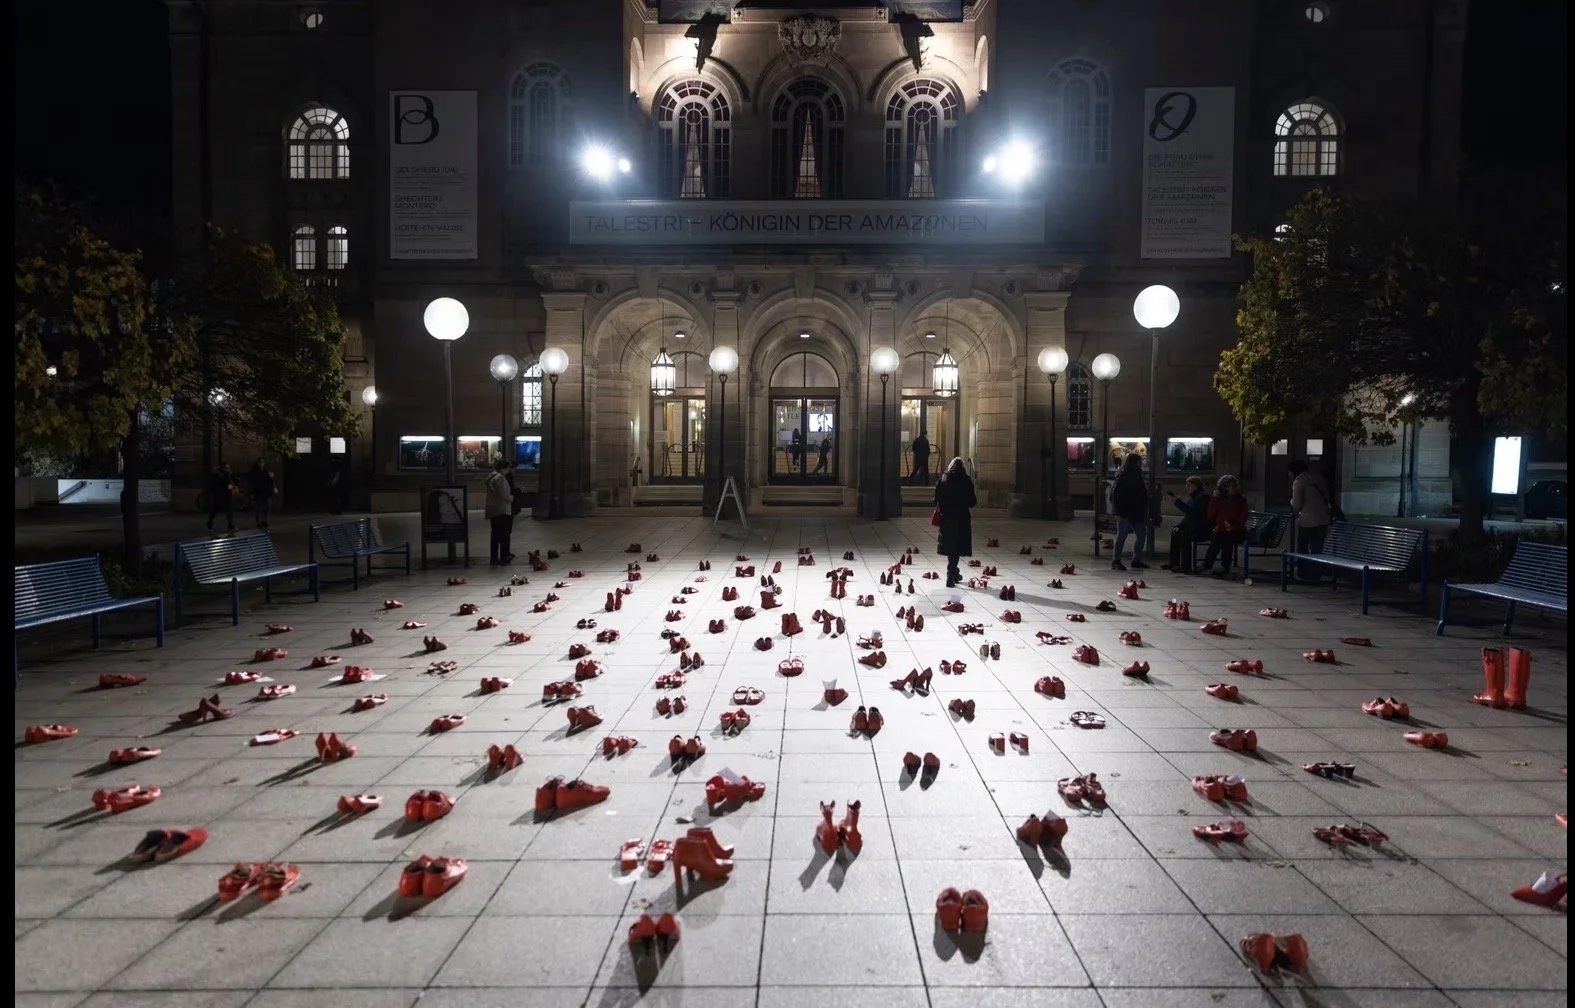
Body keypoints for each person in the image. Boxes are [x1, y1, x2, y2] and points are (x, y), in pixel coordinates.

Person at [934, 456, 977, 587]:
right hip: (961, 517)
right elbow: (972, 501)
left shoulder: (943, 480)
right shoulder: (966, 480)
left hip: (947, 517)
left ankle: (953, 572)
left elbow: (936, 499)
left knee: (951, 546)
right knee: (957, 547)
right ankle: (951, 574)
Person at [1288, 459, 1333, 578]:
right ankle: (1316, 572)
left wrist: (1291, 502)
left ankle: (1304, 572)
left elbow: (1297, 504)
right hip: (1323, 519)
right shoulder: (1319, 478)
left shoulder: (1299, 481)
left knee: (1302, 547)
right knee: (1317, 548)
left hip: (1307, 521)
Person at [1199, 474, 1249, 577]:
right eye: (1229, 486)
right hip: (1223, 530)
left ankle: (1224, 567)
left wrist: (1232, 527)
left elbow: (1241, 520)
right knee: (1219, 535)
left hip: (1238, 531)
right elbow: (1211, 514)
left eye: (1233, 486)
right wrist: (1214, 499)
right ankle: (1207, 565)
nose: (1232, 488)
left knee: (1226, 536)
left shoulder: (1240, 501)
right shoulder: (1220, 500)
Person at [1110, 452, 1151, 571]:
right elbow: (1116, 494)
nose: (1141, 463)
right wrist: (1117, 512)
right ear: (1135, 462)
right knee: (1122, 536)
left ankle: (1136, 560)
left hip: (1136, 511)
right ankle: (1116, 560)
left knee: (1141, 535)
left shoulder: (1137, 474)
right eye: (1140, 461)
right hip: (1126, 511)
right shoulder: (1124, 475)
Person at [1162, 476, 1212, 573]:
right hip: (1195, 527)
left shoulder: (1203, 497)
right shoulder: (1193, 499)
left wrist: (1177, 502)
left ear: (1196, 486)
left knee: (1185, 535)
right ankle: (1174, 562)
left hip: (1203, 528)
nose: (1187, 487)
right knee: (1176, 531)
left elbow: (1193, 512)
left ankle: (1186, 565)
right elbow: (1188, 517)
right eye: (1186, 485)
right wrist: (1179, 526)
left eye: (1189, 485)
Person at [484, 458, 514, 566]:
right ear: (503, 468)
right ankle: (504, 556)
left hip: (492, 509)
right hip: (502, 509)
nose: (509, 471)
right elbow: (504, 495)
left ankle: (494, 557)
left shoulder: (491, 477)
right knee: (504, 534)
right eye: (508, 469)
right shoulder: (500, 478)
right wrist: (512, 498)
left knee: (495, 535)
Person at [206, 462, 236, 534]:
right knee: (215, 511)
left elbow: (230, 482)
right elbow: (218, 484)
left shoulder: (227, 474)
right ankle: (209, 524)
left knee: (230, 511)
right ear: (223, 468)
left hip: (227, 496)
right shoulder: (218, 475)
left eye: (228, 467)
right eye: (226, 467)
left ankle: (231, 526)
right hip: (219, 496)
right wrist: (229, 486)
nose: (228, 469)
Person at [247, 457, 276, 531]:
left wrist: (273, 486)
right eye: (260, 462)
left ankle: (264, 520)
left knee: (267, 507)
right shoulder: (254, 472)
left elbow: (270, 481)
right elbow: (252, 483)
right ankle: (258, 521)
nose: (262, 464)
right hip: (258, 492)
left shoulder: (266, 471)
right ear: (257, 463)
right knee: (258, 507)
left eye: (263, 462)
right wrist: (252, 493)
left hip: (266, 492)